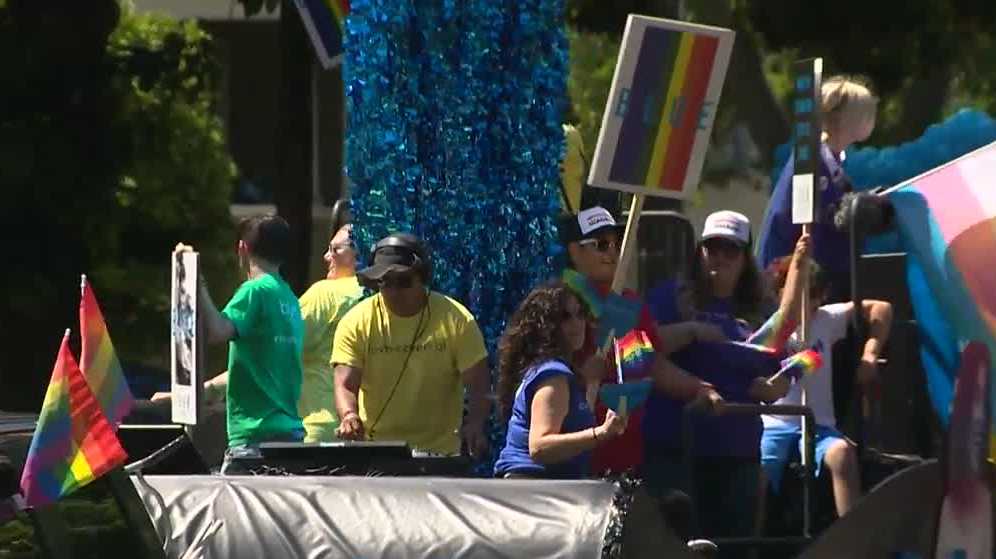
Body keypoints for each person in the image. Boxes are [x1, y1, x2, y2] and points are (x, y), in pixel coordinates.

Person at [643, 210, 790, 548]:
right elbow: (633, 352)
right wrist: (691, 331)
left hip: (738, 453)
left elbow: (785, 360)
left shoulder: (762, 308)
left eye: (731, 250)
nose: (720, 257)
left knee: (734, 547)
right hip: (676, 451)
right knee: (676, 549)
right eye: (713, 247)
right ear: (700, 251)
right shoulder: (669, 295)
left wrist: (777, 384)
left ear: (746, 257)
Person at [557, 205, 723, 476]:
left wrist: (699, 388)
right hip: (575, 457)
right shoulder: (558, 300)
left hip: (626, 458)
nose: (612, 251)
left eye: (617, 242)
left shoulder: (630, 302)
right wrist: (580, 376)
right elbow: (538, 373)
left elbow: (647, 364)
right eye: (601, 244)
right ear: (575, 251)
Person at [760, 235, 893, 518]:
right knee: (757, 469)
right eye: (793, 291)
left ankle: (854, 540)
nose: (802, 301)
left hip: (820, 425)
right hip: (775, 423)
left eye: (811, 294)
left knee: (843, 455)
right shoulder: (770, 330)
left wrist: (870, 354)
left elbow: (882, 308)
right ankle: (749, 547)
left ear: (820, 297)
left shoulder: (827, 319)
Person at [332, 233, 491, 458]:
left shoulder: (456, 319)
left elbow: (479, 383)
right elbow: (345, 384)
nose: (394, 292)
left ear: (422, 278)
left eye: (404, 281)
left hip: (438, 454)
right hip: (375, 452)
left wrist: (475, 424)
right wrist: (349, 415)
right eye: (385, 282)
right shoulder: (356, 322)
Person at [178, 214, 305, 474]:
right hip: (290, 434)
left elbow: (218, 330)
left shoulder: (254, 291)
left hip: (253, 435)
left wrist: (195, 282)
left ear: (242, 249)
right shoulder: (289, 298)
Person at [758, 75, 879, 302]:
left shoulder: (823, 157)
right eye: (867, 114)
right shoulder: (817, 160)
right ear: (847, 119)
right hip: (791, 281)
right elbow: (826, 220)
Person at [494, 282, 626, 478]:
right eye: (565, 317)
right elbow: (539, 447)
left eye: (580, 314)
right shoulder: (554, 376)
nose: (577, 323)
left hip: (543, 490)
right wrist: (602, 432)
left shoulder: (553, 371)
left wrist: (587, 380)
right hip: (532, 490)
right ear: (545, 325)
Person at [296, 219, 365, 442]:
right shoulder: (378, 298)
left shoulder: (324, 294)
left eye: (335, 250)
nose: (327, 257)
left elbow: (277, 350)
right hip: (363, 429)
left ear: (359, 254)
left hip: (318, 427)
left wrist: (213, 387)